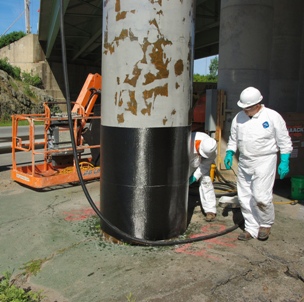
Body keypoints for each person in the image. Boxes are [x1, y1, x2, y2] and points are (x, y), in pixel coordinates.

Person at [224, 87, 292, 241]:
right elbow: (234, 138)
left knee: (261, 196)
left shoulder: (273, 117)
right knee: (245, 197)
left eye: (248, 108)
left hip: (265, 160)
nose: (245, 111)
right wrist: (229, 152)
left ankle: (265, 223)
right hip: (245, 161)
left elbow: (284, 140)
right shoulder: (239, 118)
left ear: (257, 104)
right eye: (243, 108)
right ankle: (251, 228)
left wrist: (285, 160)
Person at [189, 132, 217, 222]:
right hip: (189, 161)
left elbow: (204, 166)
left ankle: (210, 210)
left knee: (206, 181)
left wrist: (195, 176)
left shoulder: (212, 151)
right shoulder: (189, 141)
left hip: (201, 163)